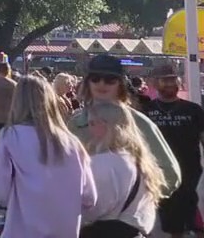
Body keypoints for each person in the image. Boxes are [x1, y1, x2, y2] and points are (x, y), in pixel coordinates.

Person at [0, 75, 96, 237]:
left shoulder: (10, 137)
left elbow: (0, 192)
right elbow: (90, 197)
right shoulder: (72, 142)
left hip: (23, 230)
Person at [69, 54, 182, 197]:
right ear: (87, 83)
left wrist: (132, 194)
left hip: (127, 216)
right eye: (95, 78)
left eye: (110, 80)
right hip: (84, 215)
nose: (101, 84)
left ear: (120, 84)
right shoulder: (75, 124)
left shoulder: (138, 123)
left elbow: (170, 175)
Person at [80, 100, 166, 237]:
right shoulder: (138, 160)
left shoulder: (103, 162)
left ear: (107, 125)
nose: (89, 129)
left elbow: (94, 208)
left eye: (92, 123)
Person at [144, 64, 204, 238]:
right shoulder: (147, 111)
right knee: (169, 215)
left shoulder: (193, 110)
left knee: (188, 204)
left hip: (189, 170)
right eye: (164, 80)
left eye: (172, 79)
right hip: (159, 171)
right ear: (155, 83)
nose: (170, 84)